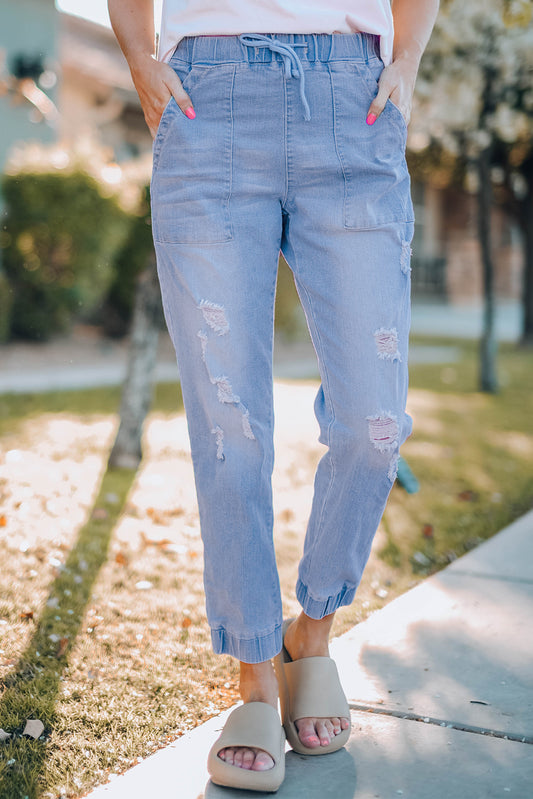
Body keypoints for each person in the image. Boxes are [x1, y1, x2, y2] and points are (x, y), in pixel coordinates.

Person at [109, 0, 439, 792]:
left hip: (351, 97)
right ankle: (256, 670)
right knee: (230, 428)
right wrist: (139, 59)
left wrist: (406, 59)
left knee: (374, 425)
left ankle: (310, 630)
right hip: (207, 98)